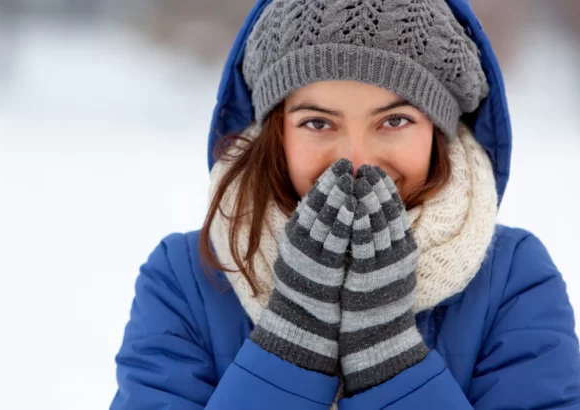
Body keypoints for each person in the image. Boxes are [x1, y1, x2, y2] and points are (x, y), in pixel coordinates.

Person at [110, 0, 580, 408]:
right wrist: (290, 346)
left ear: (438, 130)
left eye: (394, 120)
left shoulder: (514, 280)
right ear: (277, 132)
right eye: (318, 123)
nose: (355, 161)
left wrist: (391, 364)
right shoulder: (187, 278)